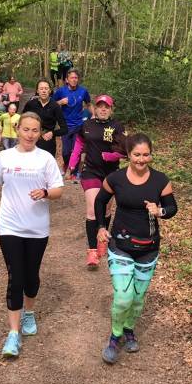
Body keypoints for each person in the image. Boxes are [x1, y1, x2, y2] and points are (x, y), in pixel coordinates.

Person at [0, 112, 65, 358]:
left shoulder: (45, 159)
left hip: (37, 227)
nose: (30, 134)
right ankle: (13, 334)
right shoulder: (4, 157)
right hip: (9, 225)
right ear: (17, 129)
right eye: (26, 129)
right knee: (15, 277)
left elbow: (58, 190)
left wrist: (45, 193)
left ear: (40, 132)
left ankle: (29, 313)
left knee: (31, 276)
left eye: (35, 130)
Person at [93, 133, 176, 364]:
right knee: (123, 297)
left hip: (149, 248)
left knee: (138, 299)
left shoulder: (160, 180)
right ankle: (114, 337)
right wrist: (100, 227)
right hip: (120, 245)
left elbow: (172, 208)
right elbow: (100, 201)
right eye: (137, 154)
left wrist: (160, 211)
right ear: (128, 155)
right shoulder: (115, 178)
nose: (141, 159)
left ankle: (129, 329)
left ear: (151, 155)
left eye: (146, 154)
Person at [66, 94, 126, 269]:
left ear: (111, 109)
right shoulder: (87, 125)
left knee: (106, 209)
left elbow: (125, 151)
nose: (103, 109)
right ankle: (92, 251)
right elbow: (78, 144)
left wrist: (110, 156)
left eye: (106, 107)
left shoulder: (117, 126)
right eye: (100, 106)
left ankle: (102, 239)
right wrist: (72, 164)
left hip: (111, 173)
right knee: (92, 210)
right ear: (95, 108)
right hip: (90, 171)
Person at [54, 69, 91, 172]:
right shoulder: (61, 91)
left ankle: (73, 171)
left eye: (76, 78)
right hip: (65, 126)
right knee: (65, 152)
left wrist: (93, 116)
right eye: (72, 78)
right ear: (67, 80)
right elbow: (51, 104)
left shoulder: (83, 91)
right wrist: (60, 102)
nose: (74, 80)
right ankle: (66, 166)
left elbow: (88, 104)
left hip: (79, 125)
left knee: (76, 150)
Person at [22, 80, 67, 160]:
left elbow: (64, 129)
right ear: (37, 91)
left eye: (46, 88)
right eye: (41, 88)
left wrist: (52, 133)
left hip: (47, 142)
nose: (44, 91)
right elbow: (22, 121)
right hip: (31, 140)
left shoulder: (55, 106)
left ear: (50, 91)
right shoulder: (30, 104)